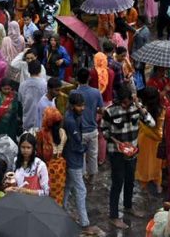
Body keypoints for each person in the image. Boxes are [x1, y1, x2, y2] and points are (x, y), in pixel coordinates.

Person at [101, 85, 154, 228]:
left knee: (130, 179)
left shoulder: (137, 107)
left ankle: (128, 206)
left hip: (133, 151)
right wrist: (116, 142)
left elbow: (151, 123)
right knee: (117, 182)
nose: (125, 105)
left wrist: (138, 105)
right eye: (123, 102)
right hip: (116, 152)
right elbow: (104, 130)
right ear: (118, 100)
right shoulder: (110, 111)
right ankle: (113, 215)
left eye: (128, 102)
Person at [62, 92, 97, 234]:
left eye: (83, 105)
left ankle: (61, 208)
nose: (82, 108)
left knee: (68, 185)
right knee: (81, 190)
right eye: (79, 105)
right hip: (73, 157)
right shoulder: (70, 120)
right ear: (72, 106)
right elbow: (76, 143)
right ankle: (84, 223)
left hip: (73, 156)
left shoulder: (74, 116)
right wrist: (84, 149)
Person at [73, 67, 103, 180]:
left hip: (79, 131)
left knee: (81, 155)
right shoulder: (96, 92)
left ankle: (82, 175)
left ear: (77, 79)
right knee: (93, 154)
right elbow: (101, 110)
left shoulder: (74, 93)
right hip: (92, 129)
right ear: (89, 78)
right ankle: (92, 177)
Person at [36, 106, 67, 205]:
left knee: (47, 193)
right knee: (58, 194)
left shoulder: (42, 134)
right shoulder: (62, 133)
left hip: (47, 168)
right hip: (61, 167)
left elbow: (40, 152)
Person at [17, 60, 47, 133]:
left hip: (27, 120)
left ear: (28, 70)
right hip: (42, 120)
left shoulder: (23, 85)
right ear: (40, 70)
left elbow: (20, 101)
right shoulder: (45, 84)